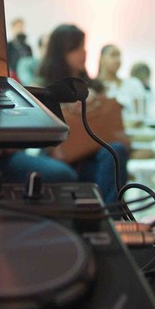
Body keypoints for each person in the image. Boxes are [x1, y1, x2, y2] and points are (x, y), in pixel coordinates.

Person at [36, 24, 129, 204]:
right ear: (61, 52)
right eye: (76, 48)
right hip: (59, 154)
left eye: (84, 47)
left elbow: (109, 127)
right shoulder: (42, 87)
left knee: (115, 151)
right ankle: (106, 218)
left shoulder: (94, 87)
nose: (83, 53)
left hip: (92, 156)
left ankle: (109, 219)